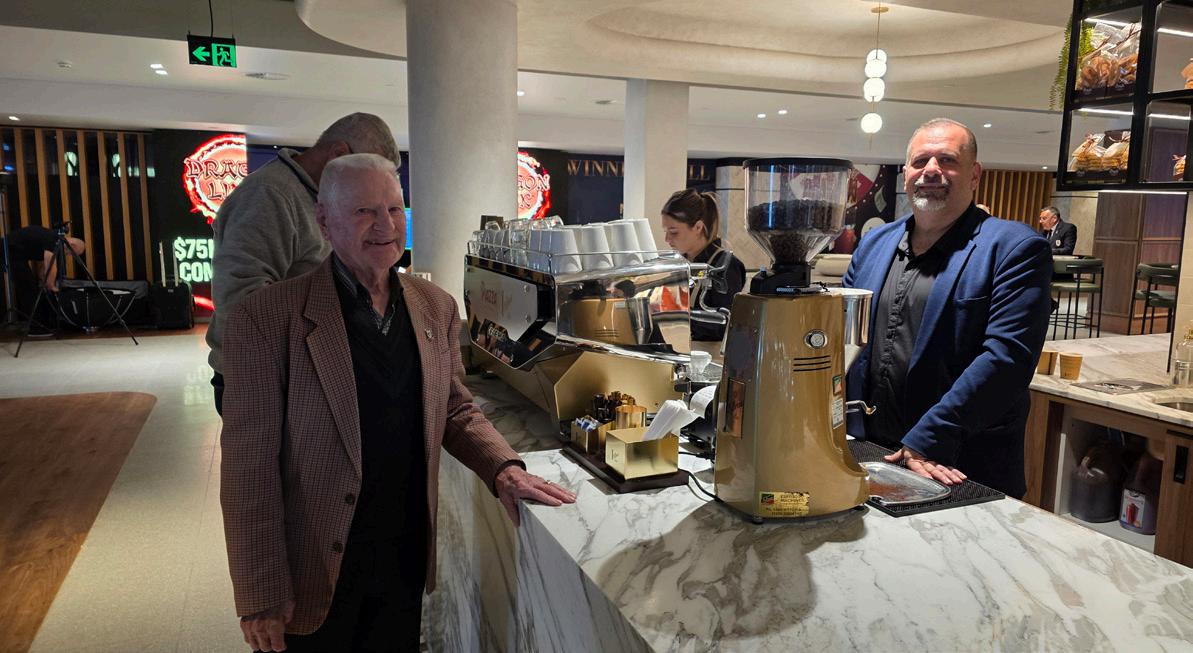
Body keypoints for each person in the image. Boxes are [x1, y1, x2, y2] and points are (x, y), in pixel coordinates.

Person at [220, 154, 576, 653]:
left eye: (393, 208)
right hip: (315, 565)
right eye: (364, 211)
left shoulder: (435, 306)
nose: (385, 225)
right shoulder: (267, 317)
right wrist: (260, 591)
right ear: (324, 220)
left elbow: (454, 408)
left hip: (403, 552)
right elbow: (248, 467)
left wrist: (503, 468)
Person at [843, 118, 1052, 498]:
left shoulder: (1015, 248)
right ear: (906, 174)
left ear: (974, 175)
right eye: (920, 161)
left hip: (956, 461)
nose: (931, 170)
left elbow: (1007, 358)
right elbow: (841, 337)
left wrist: (928, 437)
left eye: (947, 160)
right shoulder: (873, 244)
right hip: (870, 452)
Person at [207, 112, 400, 415]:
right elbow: (240, 302)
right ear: (338, 154)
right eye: (365, 176)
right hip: (267, 379)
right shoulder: (270, 194)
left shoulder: (322, 195)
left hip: (309, 374)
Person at [660, 189, 746, 341]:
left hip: (709, 354)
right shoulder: (678, 264)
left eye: (673, 232)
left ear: (698, 227)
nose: (667, 239)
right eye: (666, 231)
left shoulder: (725, 266)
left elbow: (722, 326)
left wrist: (676, 316)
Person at [2, 225, 85, 335]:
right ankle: (35, 328)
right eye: (71, 253)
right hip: (9, 250)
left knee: (30, 287)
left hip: (15, 253)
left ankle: (38, 324)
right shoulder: (54, 239)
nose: (68, 255)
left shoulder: (52, 239)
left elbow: (43, 266)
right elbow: (50, 264)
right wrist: (51, 285)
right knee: (28, 289)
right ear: (72, 245)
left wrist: (44, 281)